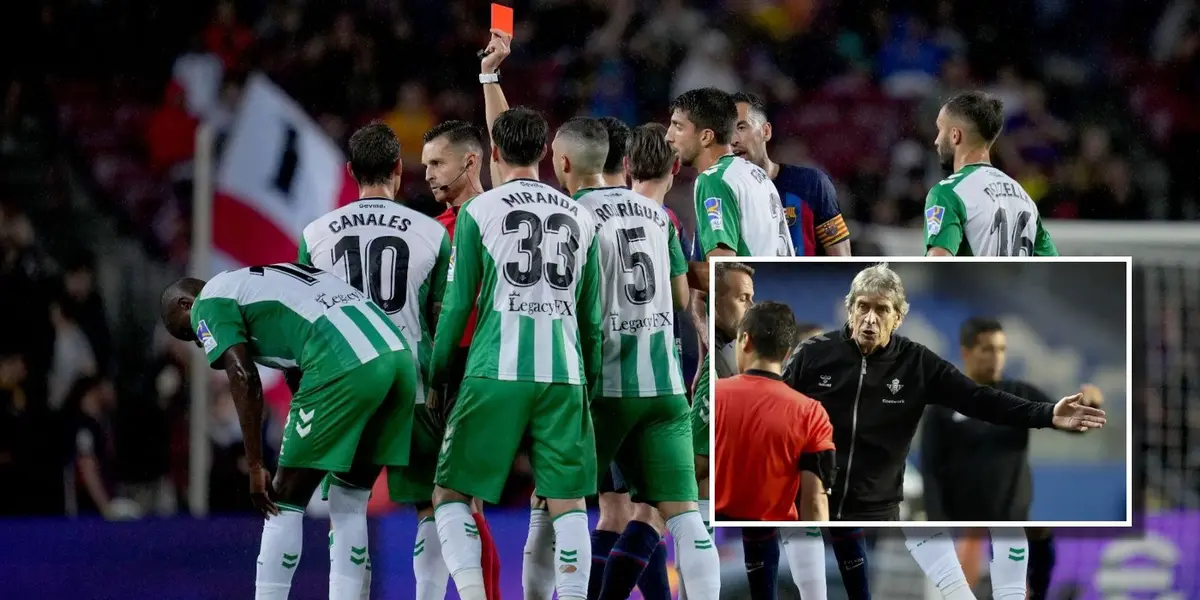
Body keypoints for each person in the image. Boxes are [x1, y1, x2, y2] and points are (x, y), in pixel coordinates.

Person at [782, 263, 1107, 600]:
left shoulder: (917, 363)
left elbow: (980, 399)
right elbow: (774, 409)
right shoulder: (814, 354)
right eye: (862, 306)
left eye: (882, 309)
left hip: (879, 504)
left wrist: (1048, 413)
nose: (870, 317)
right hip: (812, 498)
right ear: (850, 309)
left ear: (899, 317)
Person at [426, 103, 602, 600]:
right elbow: (589, 318)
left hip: (494, 372)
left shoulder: (478, 212)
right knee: (568, 504)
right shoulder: (579, 215)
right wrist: (585, 378)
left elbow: (458, 307)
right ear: (546, 153)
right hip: (564, 374)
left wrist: (441, 374)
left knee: (450, 493)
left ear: (494, 152)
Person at [159, 264, 417, 600]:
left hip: (344, 361)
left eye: (189, 333)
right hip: (397, 358)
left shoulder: (209, 301)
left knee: (282, 500)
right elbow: (297, 364)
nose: (198, 342)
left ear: (185, 305)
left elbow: (244, 376)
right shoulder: (264, 279)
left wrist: (254, 466)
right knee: (349, 500)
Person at [298, 121, 469, 600]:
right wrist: (442, 386)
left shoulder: (314, 235)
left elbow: (306, 325)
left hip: (347, 387)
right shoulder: (432, 234)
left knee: (349, 504)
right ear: (399, 168)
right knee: (430, 505)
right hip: (413, 383)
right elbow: (443, 321)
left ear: (351, 171)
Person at [559, 117, 718, 600]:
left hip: (605, 388)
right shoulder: (659, 217)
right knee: (684, 515)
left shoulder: (574, 212)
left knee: (564, 508)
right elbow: (675, 300)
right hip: (664, 385)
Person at [921, 317, 1104, 600]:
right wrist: (937, 523)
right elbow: (930, 469)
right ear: (967, 352)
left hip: (1011, 514)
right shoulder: (943, 405)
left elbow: (1067, 422)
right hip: (965, 520)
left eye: (1002, 349)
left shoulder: (1019, 394)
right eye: (988, 349)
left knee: (1037, 537)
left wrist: (1089, 405)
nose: (997, 357)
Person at [421, 118, 503, 600]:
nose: (428, 173)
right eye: (426, 163)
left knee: (455, 499)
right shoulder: (435, 229)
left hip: (468, 368)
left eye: (438, 163)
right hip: (512, 369)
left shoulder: (481, 220)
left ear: (471, 162)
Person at [713, 301, 834, 600]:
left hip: (713, 543)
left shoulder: (713, 395)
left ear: (745, 339)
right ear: (788, 353)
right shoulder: (811, 412)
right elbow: (815, 502)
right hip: (771, 540)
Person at [666, 87, 794, 289]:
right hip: (776, 294)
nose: (669, 136)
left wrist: (665, 266)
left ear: (706, 137)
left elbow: (723, 275)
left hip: (749, 308)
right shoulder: (756, 173)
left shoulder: (713, 180)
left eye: (678, 127)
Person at [925, 91, 1058, 257]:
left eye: (940, 129)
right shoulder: (1023, 197)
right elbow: (1053, 265)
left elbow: (938, 262)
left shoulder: (947, 193)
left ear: (954, 135)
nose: (936, 140)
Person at [729, 92, 851, 256]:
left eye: (741, 127)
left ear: (766, 131)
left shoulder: (812, 184)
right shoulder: (718, 196)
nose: (733, 140)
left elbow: (842, 260)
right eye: (726, 132)